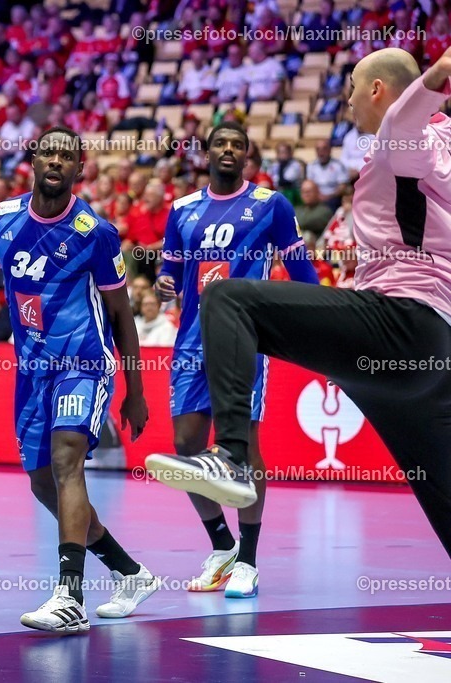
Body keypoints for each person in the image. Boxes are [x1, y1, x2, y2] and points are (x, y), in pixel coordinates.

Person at [145, 47, 451, 560]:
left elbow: (414, 108)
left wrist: (439, 71)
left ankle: (234, 456)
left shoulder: (403, 138)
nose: (348, 99)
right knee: (442, 491)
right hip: (430, 351)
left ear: (376, 89)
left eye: (353, 86)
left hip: (403, 321)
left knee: (227, 298)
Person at [0, 127, 154, 634]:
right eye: (49, 151)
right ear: (33, 159)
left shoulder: (97, 232)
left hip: (84, 364)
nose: (56, 160)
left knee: (68, 462)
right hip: (31, 371)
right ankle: (130, 573)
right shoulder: (3, 219)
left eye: (67, 155)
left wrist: (136, 392)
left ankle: (69, 596)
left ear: (78, 169)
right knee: (44, 483)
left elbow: (122, 315)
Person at [154, 123, 319, 599]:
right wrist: (167, 283)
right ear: (205, 153)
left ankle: (248, 558)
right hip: (190, 341)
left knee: (243, 447)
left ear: (246, 155)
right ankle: (222, 545)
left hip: (244, 340)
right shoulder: (182, 209)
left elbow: (301, 267)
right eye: (219, 143)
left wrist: (323, 324)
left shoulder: (271, 205)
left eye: (236, 144)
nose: (228, 150)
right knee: (186, 447)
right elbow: (171, 269)